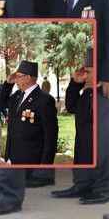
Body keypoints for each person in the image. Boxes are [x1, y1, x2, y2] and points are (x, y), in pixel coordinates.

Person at [54, 47, 109, 204]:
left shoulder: (104, 93)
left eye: (89, 71)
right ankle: (82, 185)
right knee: (83, 154)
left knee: (103, 154)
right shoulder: (87, 92)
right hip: (84, 141)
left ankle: (103, 190)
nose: (85, 75)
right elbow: (71, 106)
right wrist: (75, 83)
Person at [1, 61, 58, 185]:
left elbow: (50, 136)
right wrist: (7, 84)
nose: (16, 79)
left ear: (28, 78)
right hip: (14, 157)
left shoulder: (44, 100)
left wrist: (44, 167)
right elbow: (2, 103)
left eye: (18, 76)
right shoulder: (17, 96)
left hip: (31, 160)